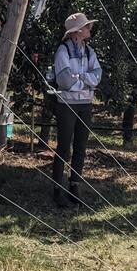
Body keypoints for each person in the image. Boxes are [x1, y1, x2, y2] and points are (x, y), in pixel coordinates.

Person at [51, 12, 102, 208]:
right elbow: (64, 79)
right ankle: (57, 190)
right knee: (63, 147)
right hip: (67, 104)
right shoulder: (62, 51)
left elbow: (97, 75)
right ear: (77, 31)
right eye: (87, 26)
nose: (90, 29)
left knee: (81, 146)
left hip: (85, 104)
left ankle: (74, 185)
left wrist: (79, 78)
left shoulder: (89, 51)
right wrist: (84, 80)